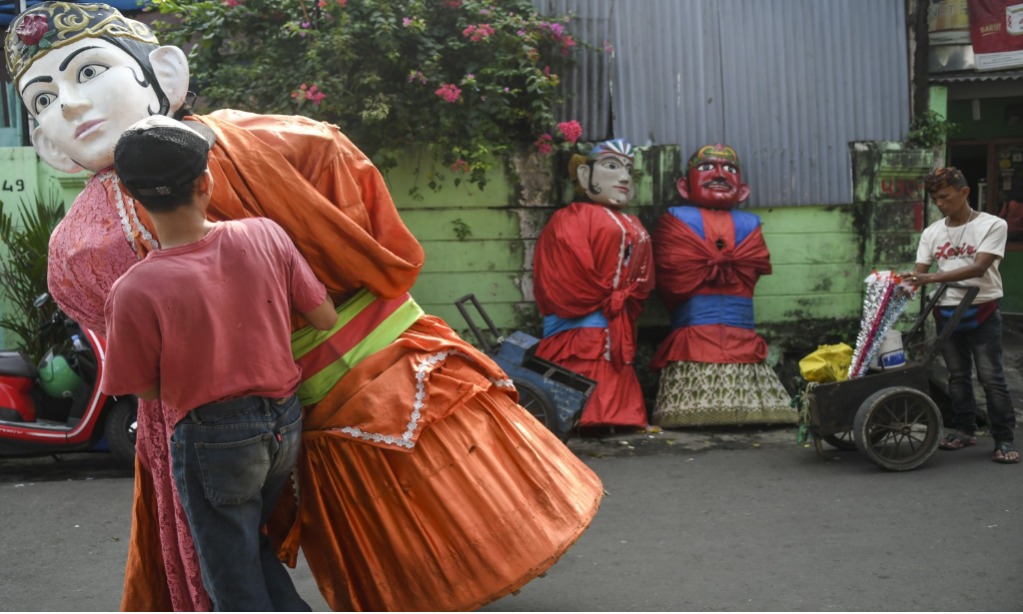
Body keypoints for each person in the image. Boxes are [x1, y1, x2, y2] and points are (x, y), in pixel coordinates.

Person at [6, 3, 604, 611]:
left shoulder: (104, 251)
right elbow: (356, 274)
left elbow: (138, 381)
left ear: (165, 72)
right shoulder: (260, 214)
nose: (72, 105)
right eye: (43, 100)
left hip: (220, 426)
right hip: (291, 411)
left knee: (233, 560)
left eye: (88, 72)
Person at [102, 116, 338, 611]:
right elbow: (324, 316)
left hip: (213, 439)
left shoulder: (134, 289)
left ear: (131, 197)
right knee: (251, 548)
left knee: (232, 584)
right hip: (284, 423)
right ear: (206, 183)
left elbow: (144, 391)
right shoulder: (266, 235)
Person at [649, 144, 797, 427]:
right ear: (684, 186)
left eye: (730, 169)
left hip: (739, 318)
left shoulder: (749, 222)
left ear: (742, 190)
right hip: (694, 323)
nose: (720, 174)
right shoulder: (677, 219)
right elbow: (670, 273)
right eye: (706, 168)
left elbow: (754, 267)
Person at [532, 139, 654, 431]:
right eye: (612, 166)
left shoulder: (631, 221)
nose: (624, 177)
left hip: (616, 317)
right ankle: (588, 415)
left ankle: (617, 415)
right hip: (583, 321)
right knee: (588, 348)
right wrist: (605, 297)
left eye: (628, 169)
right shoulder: (569, 218)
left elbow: (643, 278)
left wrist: (623, 295)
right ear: (585, 175)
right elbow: (565, 277)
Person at [907, 166, 1018, 464]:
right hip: (945, 310)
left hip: (982, 307)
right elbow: (919, 272)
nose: (940, 204)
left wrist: (930, 280)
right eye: (935, 199)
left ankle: (1004, 438)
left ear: (964, 192)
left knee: (991, 377)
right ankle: (964, 429)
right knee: (957, 376)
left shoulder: (993, 225)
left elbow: (979, 268)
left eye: (945, 197)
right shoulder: (932, 232)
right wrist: (902, 283)